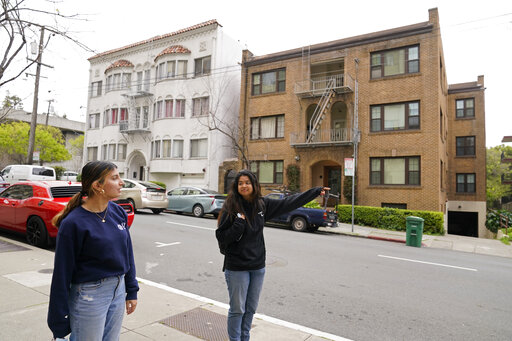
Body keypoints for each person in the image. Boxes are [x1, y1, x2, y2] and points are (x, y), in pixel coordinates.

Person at [216, 169, 328, 341]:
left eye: (247, 182)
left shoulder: (262, 204)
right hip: (237, 267)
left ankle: (244, 338)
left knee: (250, 308)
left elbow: (289, 202)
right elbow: (221, 236)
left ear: (254, 185)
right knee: (238, 309)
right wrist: (238, 224)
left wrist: (314, 192)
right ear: (236, 186)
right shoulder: (231, 207)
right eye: (240, 183)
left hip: (257, 267)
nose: (244, 186)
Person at [47, 161, 139, 341]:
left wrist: (131, 290)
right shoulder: (73, 223)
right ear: (97, 186)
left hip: (118, 290)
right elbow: (61, 274)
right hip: (89, 295)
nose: (122, 182)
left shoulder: (118, 212)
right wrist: (58, 320)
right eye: (114, 178)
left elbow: (127, 253)